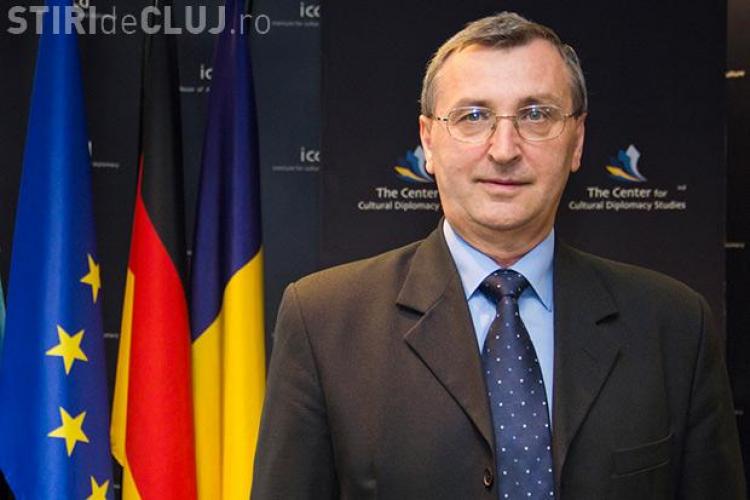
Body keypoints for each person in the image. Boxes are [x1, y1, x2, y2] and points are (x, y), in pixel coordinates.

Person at [252, 12, 745, 499]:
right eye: (473, 116)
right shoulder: (323, 323)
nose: (504, 149)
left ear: (577, 141)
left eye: (536, 115)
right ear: (428, 141)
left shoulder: (674, 327)